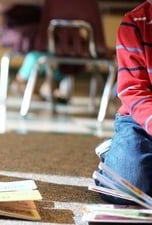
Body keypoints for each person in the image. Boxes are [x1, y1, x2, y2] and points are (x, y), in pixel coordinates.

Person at [94, 0, 152, 204]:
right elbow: (134, 90)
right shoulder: (136, 22)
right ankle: (115, 155)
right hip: (139, 120)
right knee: (124, 189)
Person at [0, 2, 68, 101]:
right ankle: (22, 81)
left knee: (69, 42)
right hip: (19, 28)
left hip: (48, 27)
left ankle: (52, 82)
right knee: (44, 42)